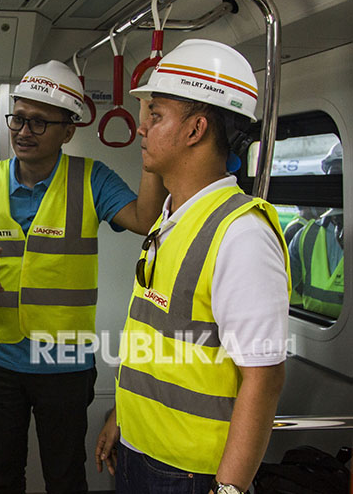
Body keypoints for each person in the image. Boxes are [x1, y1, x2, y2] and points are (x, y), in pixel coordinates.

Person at [0, 60, 166, 493]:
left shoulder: (92, 179)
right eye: (19, 119)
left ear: (68, 131)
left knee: (64, 476)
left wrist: (152, 152)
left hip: (65, 361)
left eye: (40, 123)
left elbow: (146, 218)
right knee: (1, 475)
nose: (24, 131)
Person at [95, 39, 291, 494]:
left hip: (190, 474)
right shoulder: (173, 217)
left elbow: (264, 380)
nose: (142, 130)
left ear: (196, 129)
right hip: (141, 451)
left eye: (157, 115)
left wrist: (228, 489)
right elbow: (159, 343)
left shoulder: (241, 235)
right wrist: (121, 418)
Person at [289, 207, 343, 318]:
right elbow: (281, 285)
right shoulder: (305, 234)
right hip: (308, 324)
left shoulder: (305, 233)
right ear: (333, 218)